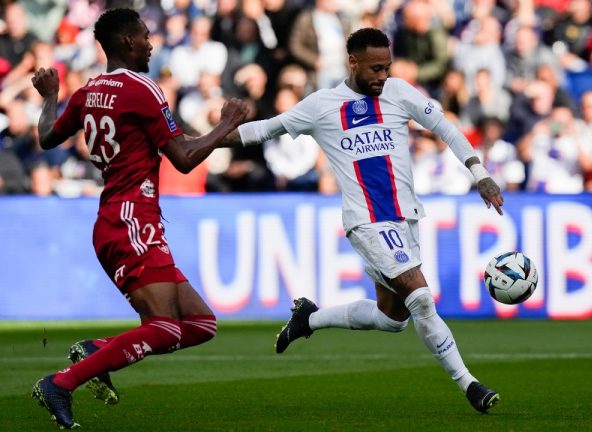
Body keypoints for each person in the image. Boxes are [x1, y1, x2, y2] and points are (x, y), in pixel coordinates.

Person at [228, 27, 504, 413]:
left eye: (387, 67)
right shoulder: (322, 105)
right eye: (375, 68)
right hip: (367, 221)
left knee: (393, 318)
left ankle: (309, 319)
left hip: (405, 216)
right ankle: (470, 385)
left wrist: (480, 172)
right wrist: (203, 141)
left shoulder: (399, 92)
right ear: (352, 62)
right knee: (422, 299)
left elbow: (446, 128)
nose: (382, 76)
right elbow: (265, 129)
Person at [29, 8, 248, 429]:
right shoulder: (142, 89)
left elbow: (46, 136)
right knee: (164, 327)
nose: (151, 43)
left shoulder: (89, 91)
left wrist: (51, 95)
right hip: (131, 219)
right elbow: (183, 159)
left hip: (119, 218)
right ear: (128, 41)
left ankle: (97, 350)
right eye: (145, 36)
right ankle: (61, 382)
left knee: (201, 324)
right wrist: (227, 125)